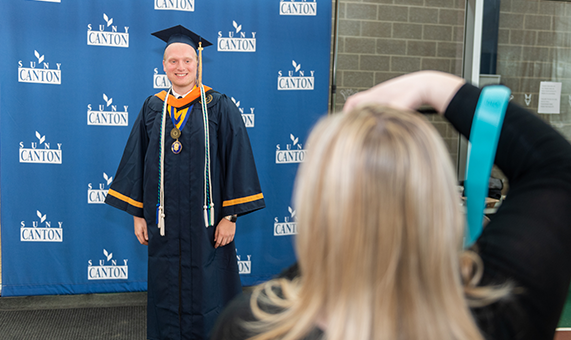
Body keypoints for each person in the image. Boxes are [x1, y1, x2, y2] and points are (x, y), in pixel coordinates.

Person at [210, 71, 571, 340]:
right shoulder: (498, 311)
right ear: (439, 202)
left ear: (316, 203)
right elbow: (557, 168)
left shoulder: (254, 326)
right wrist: (433, 85)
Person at [105, 25, 265, 340]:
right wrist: (138, 212)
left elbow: (237, 158)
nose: (181, 67)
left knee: (209, 288)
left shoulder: (218, 105)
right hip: (163, 222)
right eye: (173, 61)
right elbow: (136, 160)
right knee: (166, 287)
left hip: (205, 224)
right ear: (163, 65)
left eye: (188, 61)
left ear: (197, 64)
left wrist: (230, 216)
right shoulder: (153, 107)